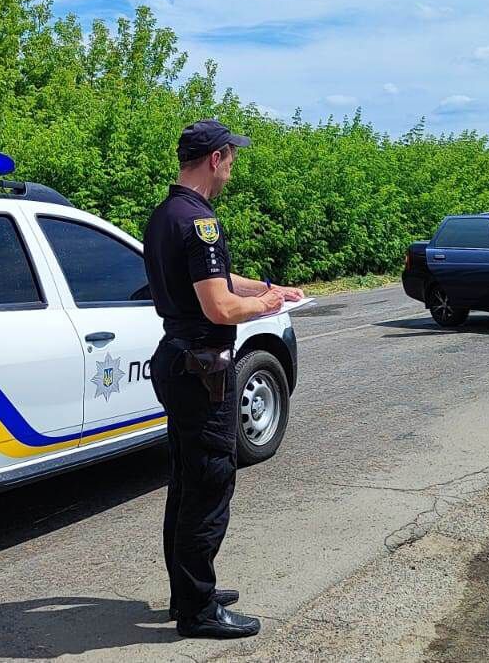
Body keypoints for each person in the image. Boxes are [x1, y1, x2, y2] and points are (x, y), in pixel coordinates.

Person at [143, 119, 304, 639]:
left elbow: (216, 281)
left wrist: (272, 287)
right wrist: (263, 306)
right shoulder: (201, 222)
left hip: (178, 360)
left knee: (187, 481)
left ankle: (188, 591)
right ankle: (198, 611)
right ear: (216, 158)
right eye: (231, 157)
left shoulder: (168, 214)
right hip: (202, 369)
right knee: (210, 482)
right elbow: (219, 305)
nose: (233, 166)